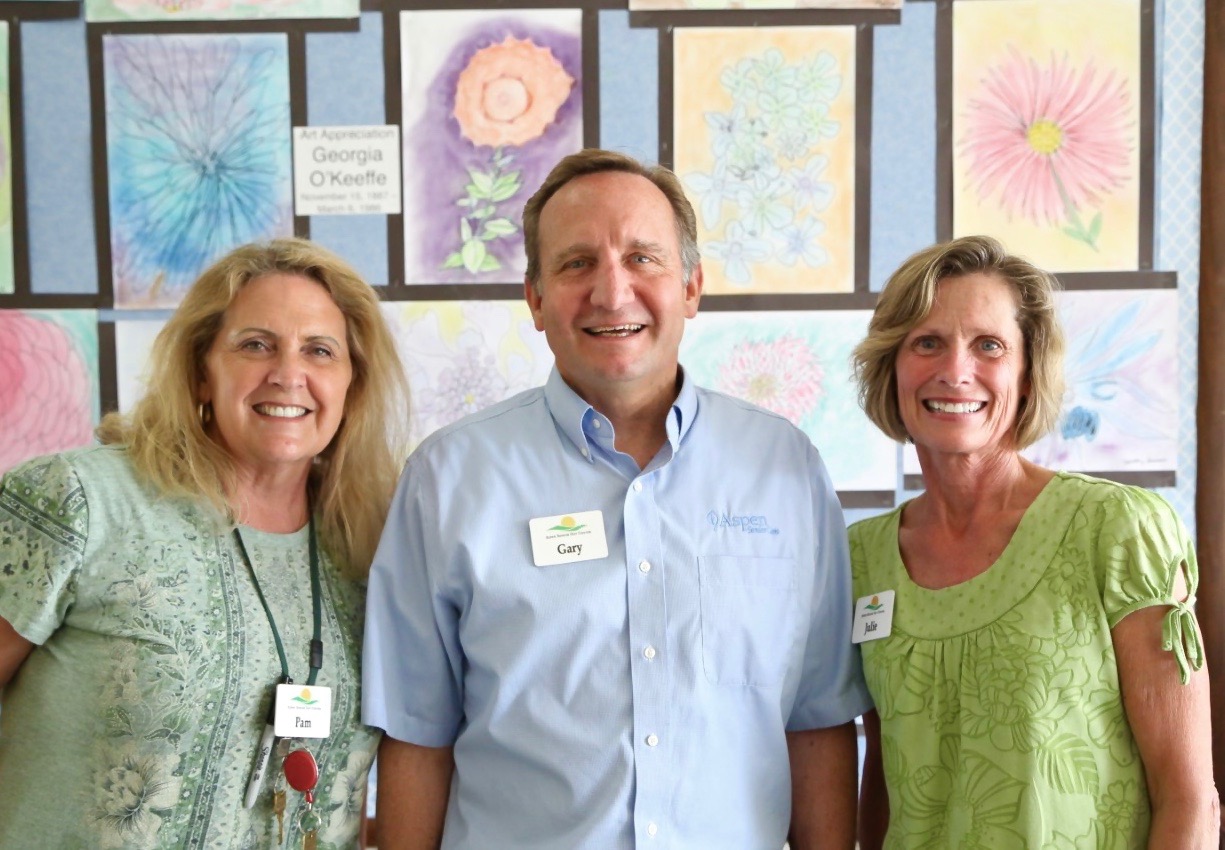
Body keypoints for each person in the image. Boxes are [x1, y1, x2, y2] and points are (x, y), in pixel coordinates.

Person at [362, 148, 871, 850]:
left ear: (691, 286)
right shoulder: (448, 479)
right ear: (534, 299)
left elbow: (816, 718)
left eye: (642, 258)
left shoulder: (783, 469)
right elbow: (417, 733)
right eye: (576, 263)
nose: (611, 291)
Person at [0, 237, 409, 849]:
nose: (288, 374)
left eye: (319, 351)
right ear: (200, 369)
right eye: (255, 344)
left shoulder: (374, 548)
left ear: (353, 384)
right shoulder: (78, 501)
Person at [849, 235, 1218, 849]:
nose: (955, 370)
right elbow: (884, 782)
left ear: (1026, 373)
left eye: (988, 345)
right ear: (893, 366)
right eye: (927, 342)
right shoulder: (860, 559)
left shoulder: (1118, 530)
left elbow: (1189, 800)